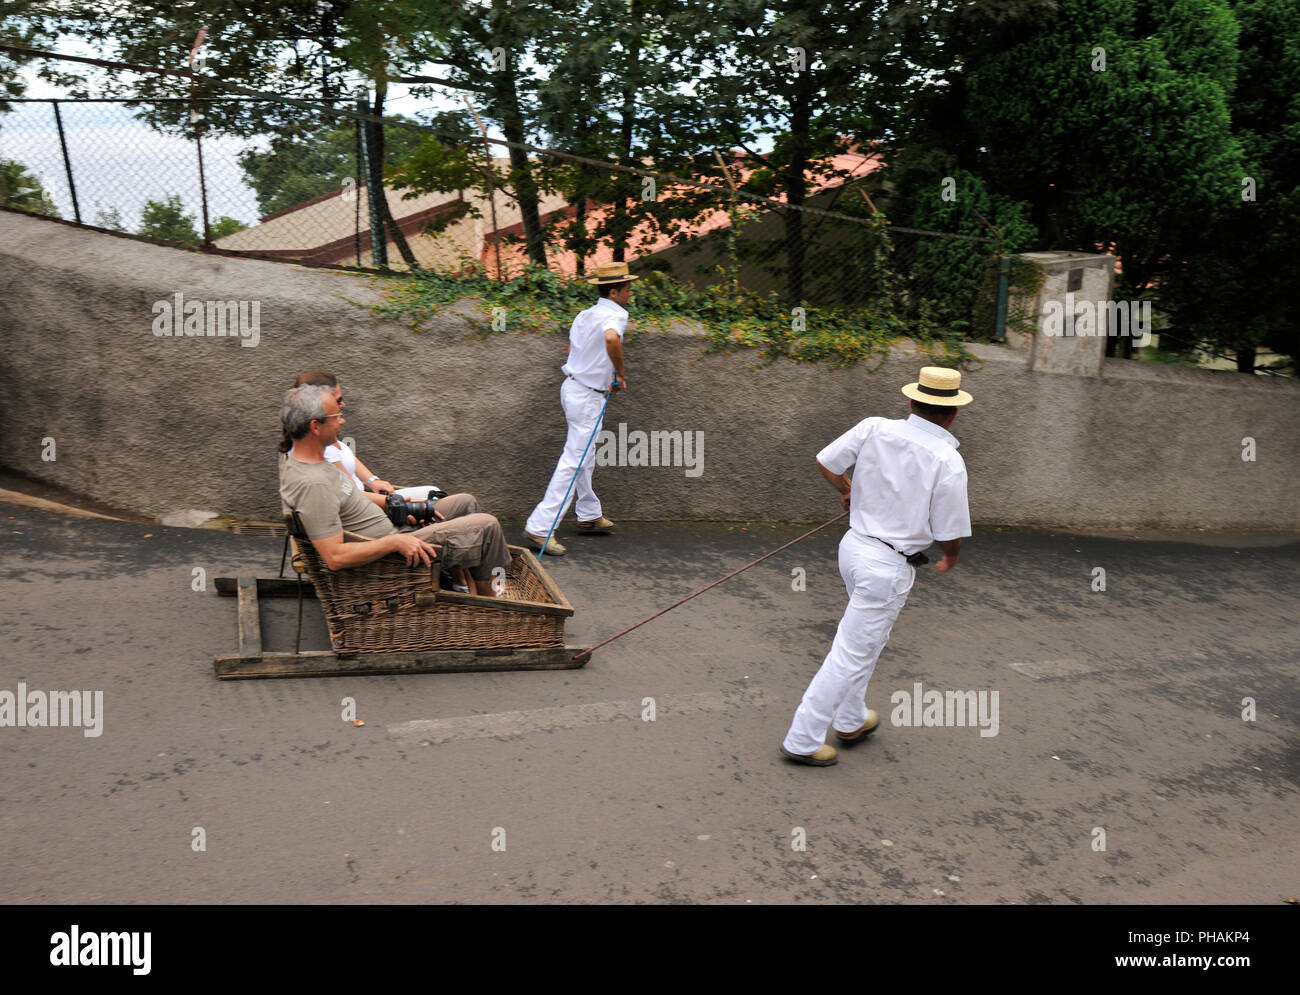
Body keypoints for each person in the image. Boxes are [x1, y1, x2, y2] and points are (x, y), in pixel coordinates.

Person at [780, 366, 974, 766]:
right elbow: (948, 528)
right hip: (886, 568)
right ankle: (801, 739)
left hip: (852, 549)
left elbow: (827, 462)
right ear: (953, 413)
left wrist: (847, 490)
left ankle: (851, 720)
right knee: (851, 651)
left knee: (866, 640)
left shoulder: (874, 427)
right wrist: (951, 556)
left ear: (911, 401)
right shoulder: (947, 460)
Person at [278, 384, 512, 598]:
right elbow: (335, 557)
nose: (342, 422)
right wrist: (394, 544)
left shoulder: (316, 463)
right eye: (336, 416)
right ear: (315, 426)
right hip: (391, 551)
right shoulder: (313, 484)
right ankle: (492, 601)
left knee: (466, 503)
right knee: (487, 526)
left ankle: (467, 584)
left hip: (393, 529)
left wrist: (398, 506)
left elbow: (351, 498)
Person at [521, 261, 634, 556]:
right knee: (574, 459)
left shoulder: (585, 315)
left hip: (572, 388)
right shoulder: (615, 314)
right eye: (627, 289)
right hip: (587, 397)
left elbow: (573, 351)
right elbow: (611, 338)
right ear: (614, 291)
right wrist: (619, 375)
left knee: (585, 454)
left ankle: (588, 514)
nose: (630, 294)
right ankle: (541, 527)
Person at [280, 371, 441, 510]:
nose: (343, 404)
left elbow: (347, 456)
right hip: (368, 508)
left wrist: (372, 481)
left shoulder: (323, 439)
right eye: (338, 400)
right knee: (442, 502)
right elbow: (353, 497)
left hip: (372, 503)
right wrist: (406, 504)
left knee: (437, 497)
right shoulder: (320, 447)